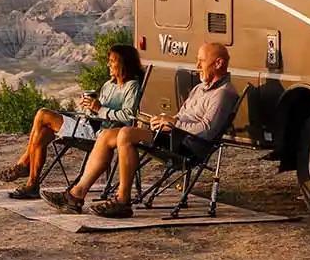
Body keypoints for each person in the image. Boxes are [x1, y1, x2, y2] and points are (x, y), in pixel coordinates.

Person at [46, 42, 239, 218]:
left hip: (187, 145)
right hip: (173, 136)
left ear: (219, 63)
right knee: (106, 135)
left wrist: (173, 124)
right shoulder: (199, 89)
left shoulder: (224, 94)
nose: (197, 66)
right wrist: (163, 121)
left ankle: (122, 200)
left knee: (126, 134)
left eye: (202, 61)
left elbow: (206, 130)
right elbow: (181, 117)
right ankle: (75, 196)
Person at [0, 44, 144, 200]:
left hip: (99, 134)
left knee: (43, 114)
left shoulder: (131, 87)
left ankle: (24, 166)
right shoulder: (108, 85)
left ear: (123, 63)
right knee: (43, 132)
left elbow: (128, 116)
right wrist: (88, 107)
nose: (108, 65)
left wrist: (99, 109)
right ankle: (31, 182)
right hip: (88, 124)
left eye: (112, 61)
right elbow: (96, 111)